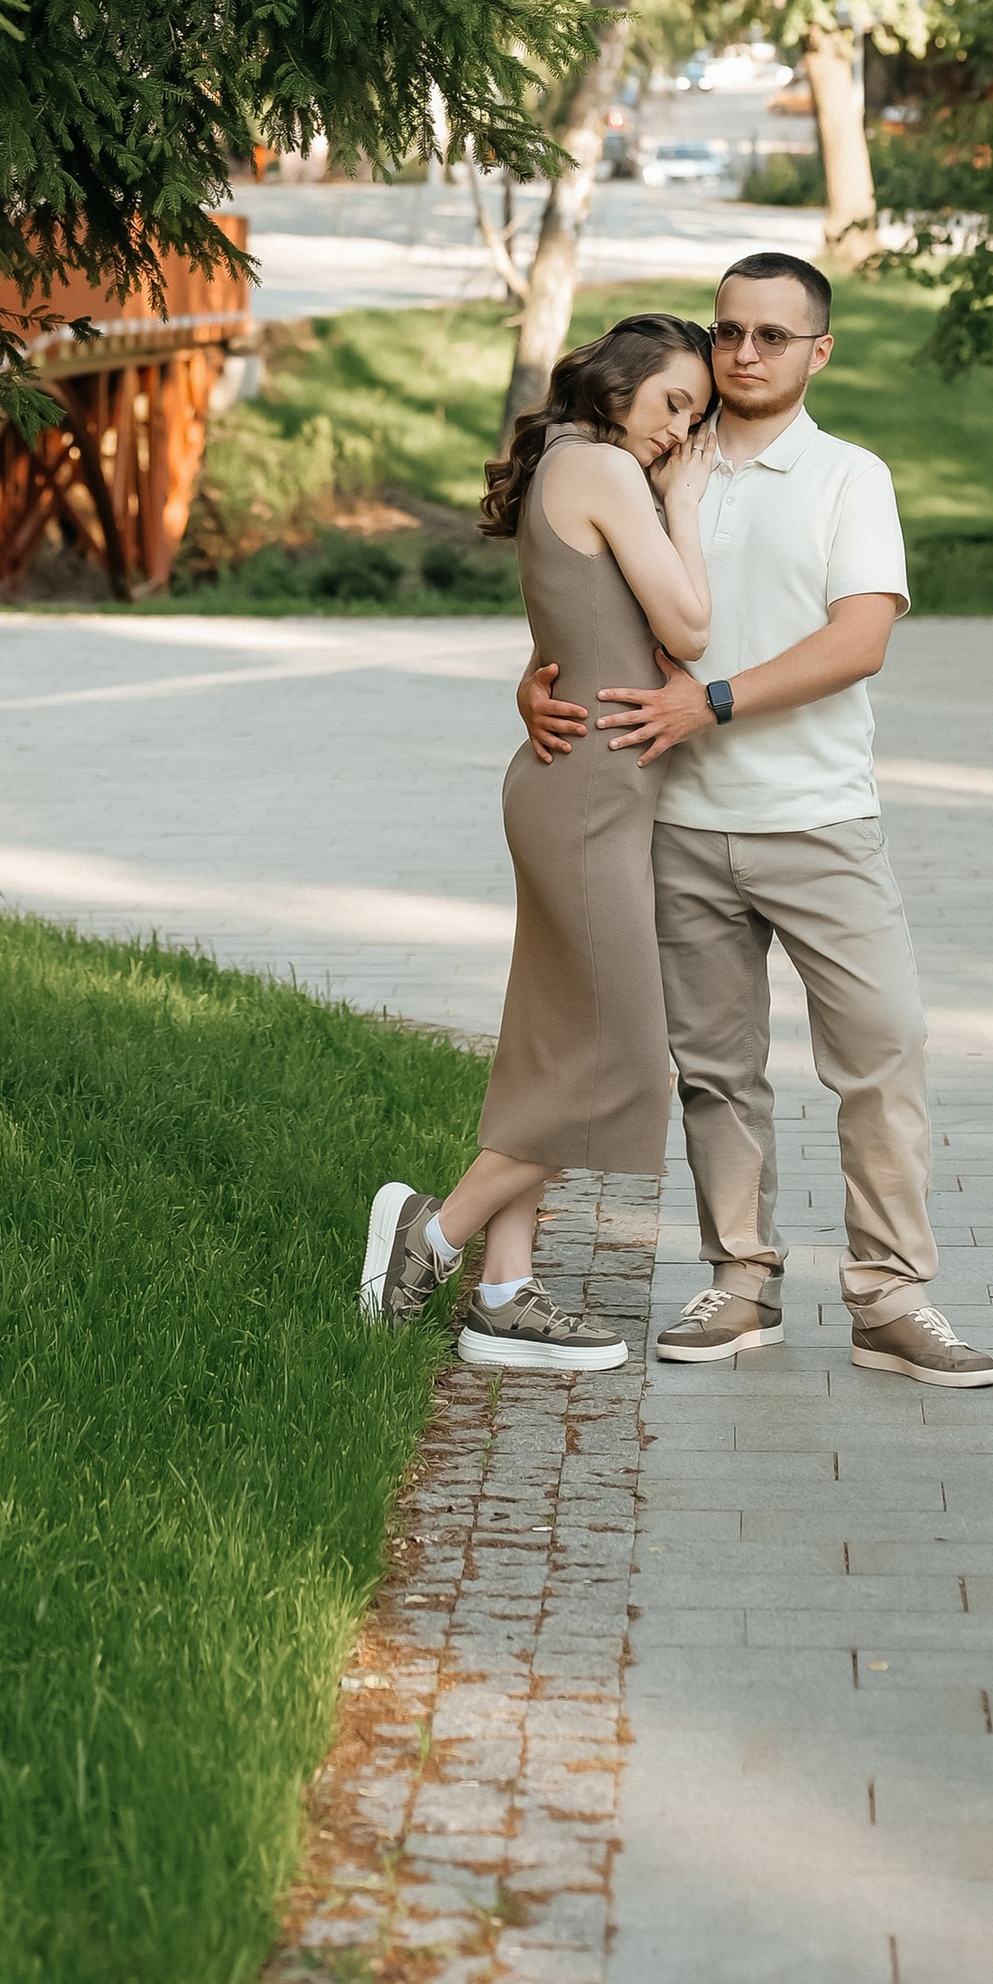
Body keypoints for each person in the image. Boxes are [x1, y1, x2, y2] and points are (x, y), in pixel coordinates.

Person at [515, 251, 993, 1390]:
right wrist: (529, 684)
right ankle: (739, 1281)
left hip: (819, 815)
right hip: (674, 820)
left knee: (885, 1048)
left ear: (817, 349)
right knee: (715, 1071)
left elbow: (859, 638)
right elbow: (586, 602)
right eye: (729, 330)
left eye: (772, 335)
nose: (742, 352)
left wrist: (712, 697)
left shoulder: (846, 476)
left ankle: (888, 1296)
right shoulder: (653, 462)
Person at [361, 313, 718, 1371]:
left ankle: (504, 1295)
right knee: (618, 1060)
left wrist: (530, 680)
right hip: (586, 801)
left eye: (695, 416)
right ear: (618, 383)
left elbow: (570, 630)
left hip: (582, 789)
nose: (679, 431)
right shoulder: (605, 467)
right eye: (672, 403)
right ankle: (430, 1235)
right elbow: (687, 630)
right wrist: (686, 504)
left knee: (555, 1046)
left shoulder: (574, 461)